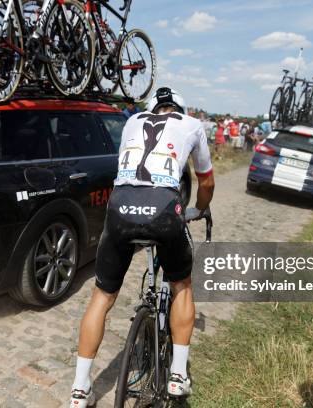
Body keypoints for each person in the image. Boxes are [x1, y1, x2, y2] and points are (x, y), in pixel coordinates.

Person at [69, 87, 215, 407]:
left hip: (120, 207)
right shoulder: (192, 125)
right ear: (180, 108)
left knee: (103, 296)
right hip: (163, 208)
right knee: (182, 284)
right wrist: (200, 209)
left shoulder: (133, 121)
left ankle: (80, 389)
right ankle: (177, 374)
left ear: (152, 108)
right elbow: (206, 181)